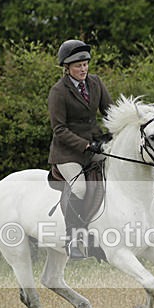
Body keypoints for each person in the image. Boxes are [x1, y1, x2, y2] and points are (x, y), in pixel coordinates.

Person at [47, 39, 112, 259]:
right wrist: (85, 144)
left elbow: (110, 112)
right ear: (67, 68)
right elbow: (59, 130)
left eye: (85, 64)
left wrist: (116, 132)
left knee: (113, 178)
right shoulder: (58, 91)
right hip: (67, 153)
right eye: (78, 65)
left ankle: (99, 234)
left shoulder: (96, 83)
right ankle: (73, 238)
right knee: (81, 188)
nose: (83, 69)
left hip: (94, 146)